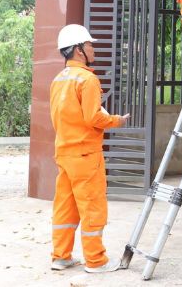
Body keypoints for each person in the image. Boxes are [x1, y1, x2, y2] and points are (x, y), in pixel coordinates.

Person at [49, 24, 130, 273]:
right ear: (78, 50)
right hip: (85, 154)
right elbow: (93, 118)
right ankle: (96, 260)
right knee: (92, 206)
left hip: (64, 152)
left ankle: (60, 256)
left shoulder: (58, 79)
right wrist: (116, 120)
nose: (93, 48)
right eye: (89, 45)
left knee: (65, 206)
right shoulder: (88, 79)